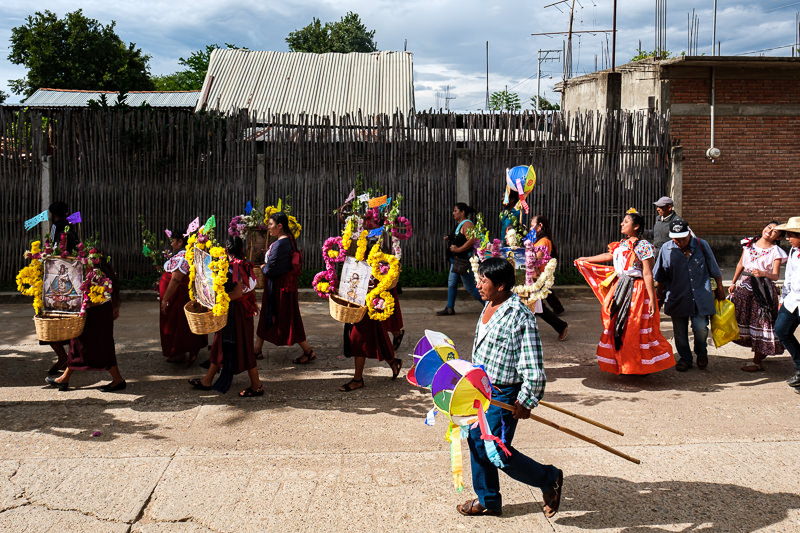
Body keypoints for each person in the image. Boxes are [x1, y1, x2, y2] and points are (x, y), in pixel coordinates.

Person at [457, 257, 563, 518]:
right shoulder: (490, 303)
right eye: (479, 278)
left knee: (497, 451)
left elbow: (532, 364)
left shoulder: (519, 316)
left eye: (483, 280)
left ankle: (548, 478)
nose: (478, 284)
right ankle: (489, 500)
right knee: (476, 441)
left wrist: (526, 400)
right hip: (481, 388)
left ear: (501, 285)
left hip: (503, 393)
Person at [575, 210, 675, 375]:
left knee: (634, 326)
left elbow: (647, 273)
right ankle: (622, 361)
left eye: (626, 221)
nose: (622, 224)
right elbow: (609, 255)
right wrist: (586, 259)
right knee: (615, 322)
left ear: (636, 226)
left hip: (637, 290)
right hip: (620, 287)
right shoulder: (621, 244)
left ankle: (639, 364)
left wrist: (652, 299)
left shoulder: (644, 246)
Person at [189, 236, 263, 397]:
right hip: (239, 313)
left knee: (243, 348)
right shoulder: (244, 263)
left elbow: (236, 293)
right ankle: (208, 380)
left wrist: (216, 300)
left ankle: (257, 385)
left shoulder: (233, 267)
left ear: (226, 250)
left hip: (236, 315)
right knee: (220, 345)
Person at [653, 220, 725, 371]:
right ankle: (685, 358)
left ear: (689, 234)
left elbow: (714, 269)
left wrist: (720, 289)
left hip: (700, 296)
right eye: (675, 239)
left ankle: (701, 352)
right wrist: (657, 296)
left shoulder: (701, 245)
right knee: (680, 332)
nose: (679, 242)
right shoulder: (666, 249)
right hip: (677, 296)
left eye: (682, 239)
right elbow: (659, 276)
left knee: (701, 328)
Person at [45, 259, 126, 392]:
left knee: (99, 346)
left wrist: (83, 304)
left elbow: (102, 297)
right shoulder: (88, 273)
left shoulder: (98, 275)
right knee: (79, 345)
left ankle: (118, 380)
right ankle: (64, 379)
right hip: (93, 314)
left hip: (98, 315)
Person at [254, 212, 315, 364]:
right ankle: (257, 349)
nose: (268, 228)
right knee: (268, 316)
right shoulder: (288, 240)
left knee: (288, 320)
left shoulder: (281, 245)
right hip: (278, 287)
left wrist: (262, 267)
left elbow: (270, 270)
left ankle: (308, 351)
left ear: (279, 226)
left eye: (270, 224)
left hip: (279, 289)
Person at [728, 221, 787, 372]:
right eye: (769, 227)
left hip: (763, 291)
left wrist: (762, 273)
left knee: (762, 323)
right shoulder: (749, 244)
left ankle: (757, 361)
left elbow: (775, 276)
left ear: (779, 238)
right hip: (745, 288)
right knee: (746, 320)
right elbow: (740, 264)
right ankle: (760, 353)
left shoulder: (776, 252)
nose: (769, 231)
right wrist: (733, 282)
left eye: (775, 231)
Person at [42, 201, 79, 375]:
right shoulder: (72, 226)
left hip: (58, 276)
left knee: (50, 317)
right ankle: (70, 357)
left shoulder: (56, 226)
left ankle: (63, 357)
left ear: (52, 214)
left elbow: (52, 250)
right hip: (74, 275)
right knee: (71, 317)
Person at [159, 231, 207, 364]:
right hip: (179, 296)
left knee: (180, 324)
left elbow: (175, 280)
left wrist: (165, 299)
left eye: (173, 241)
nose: (171, 244)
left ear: (180, 242)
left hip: (178, 298)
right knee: (181, 324)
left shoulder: (182, 257)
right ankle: (184, 351)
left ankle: (182, 351)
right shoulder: (184, 255)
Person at [437, 203, 483, 316]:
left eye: (455, 211)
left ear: (462, 212)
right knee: (452, 283)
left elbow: (472, 240)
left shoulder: (467, 224)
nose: (453, 213)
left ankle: (489, 305)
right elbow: (461, 238)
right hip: (456, 261)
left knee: (470, 287)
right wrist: (450, 238)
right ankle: (449, 308)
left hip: (463, 261)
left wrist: (458, 249)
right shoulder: (460, 224)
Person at [529, 214, 568, 340]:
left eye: (532, 226)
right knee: (536, 307)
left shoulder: (544, 241)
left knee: (537, 307)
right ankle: (560, 326)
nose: (530, 228)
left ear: (540, 226)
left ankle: (561, 326)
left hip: (538, 278)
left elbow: (536, 259)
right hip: (534, 278)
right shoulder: (538, 241)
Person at [772, 218, 800, 390]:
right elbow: (788, 276)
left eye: (791, 235)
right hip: (792, 301)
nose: (787, 238)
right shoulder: (793, 252)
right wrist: (783, 298)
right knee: (781, 330)